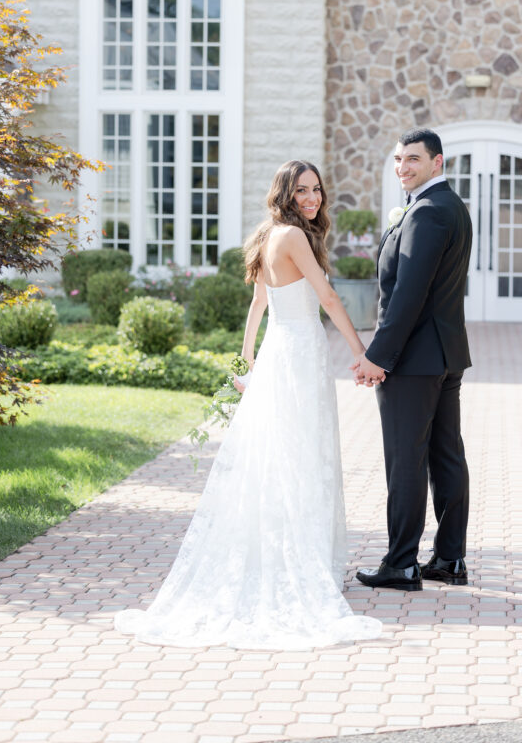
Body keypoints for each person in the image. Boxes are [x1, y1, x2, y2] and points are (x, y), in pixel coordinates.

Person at [115, 160, 382, 649]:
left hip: (283, 354)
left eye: (317, 190)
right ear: (284, 191)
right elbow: (326, 296)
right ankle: (298, 562)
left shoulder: (269, 235)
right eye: (302, 190)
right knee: (300, 455)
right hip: (297, 356)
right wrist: (362, 352)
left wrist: (245, 364)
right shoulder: (294, 238)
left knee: (282, 455)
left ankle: (289, 555)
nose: (312, 198)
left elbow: (259, 305)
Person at [352, 129, 472, 592]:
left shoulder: (426, 212)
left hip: (413, 361)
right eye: (399, 160)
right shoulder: (452, 208)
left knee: (406, 459)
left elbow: (408, 295)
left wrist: (377, 356)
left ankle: (401, 563)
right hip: (446, 355)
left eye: (414, 160)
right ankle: (450, 558)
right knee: (446, 456)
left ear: (437, 162)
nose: (403, 167)